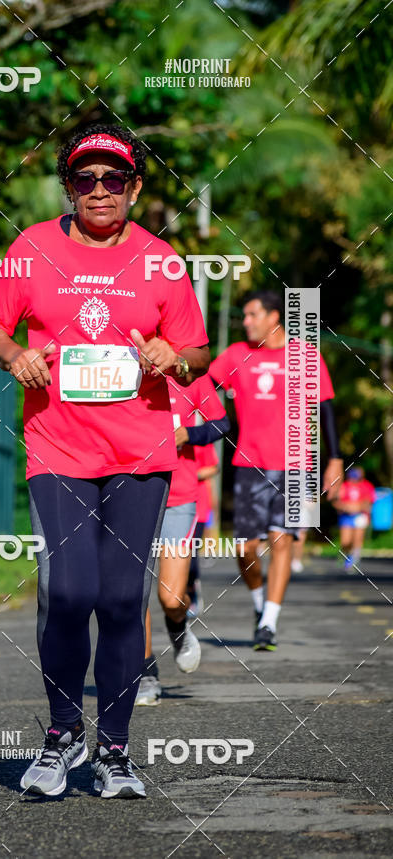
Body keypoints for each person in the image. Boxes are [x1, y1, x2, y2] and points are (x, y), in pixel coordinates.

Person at [0, 123, 209, 798]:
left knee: (117, 600)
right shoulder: (33, 248)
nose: (100, 190)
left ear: (134, 186)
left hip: (141, 452)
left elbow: (196, 351)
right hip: (58, 446)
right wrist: (12, 354)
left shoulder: (163, 261)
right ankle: (60, 733)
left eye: (114, 178)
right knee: (67, 590)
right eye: (86, 178)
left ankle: (114, 749)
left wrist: (174, 356)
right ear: (69, 186)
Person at [209, 290, 342, 651]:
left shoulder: (305, 355)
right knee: (245, 547)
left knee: (282, 540)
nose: (246, 321)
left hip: (295, 464)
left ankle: (269, 622)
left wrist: (335, 459)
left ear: (274, 317)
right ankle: (258, 606)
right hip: (249, 464)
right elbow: (202, 387)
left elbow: (325, 408)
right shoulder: (236, 355)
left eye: (252, 315)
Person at [135, 375, 228, 706]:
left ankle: (178, 629)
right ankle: (145, 673)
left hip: (179, 496)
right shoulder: (121, 367)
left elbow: (222, 423)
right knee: (134, 593)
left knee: (172, 598)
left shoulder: (192, 376)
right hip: (129, 494)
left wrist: (188, 433)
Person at [185, 442, 220, 615]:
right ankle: (178, 593)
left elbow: (214, 468)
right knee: (171, 553)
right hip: (172, 504)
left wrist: (190, 474)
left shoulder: (199, 438)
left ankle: (191, 591)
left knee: (190, 555)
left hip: (198, 506)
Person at [334, 466, 376, 571]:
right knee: (345, 542)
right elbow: (336, 502)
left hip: (360, 515)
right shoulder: (344, 486)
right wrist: (345, 507)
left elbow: (368, 502)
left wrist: (357, 507)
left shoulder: (367, 486)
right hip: (346, 516)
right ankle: (347, 555)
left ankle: (353, 559)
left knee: (357, 539)